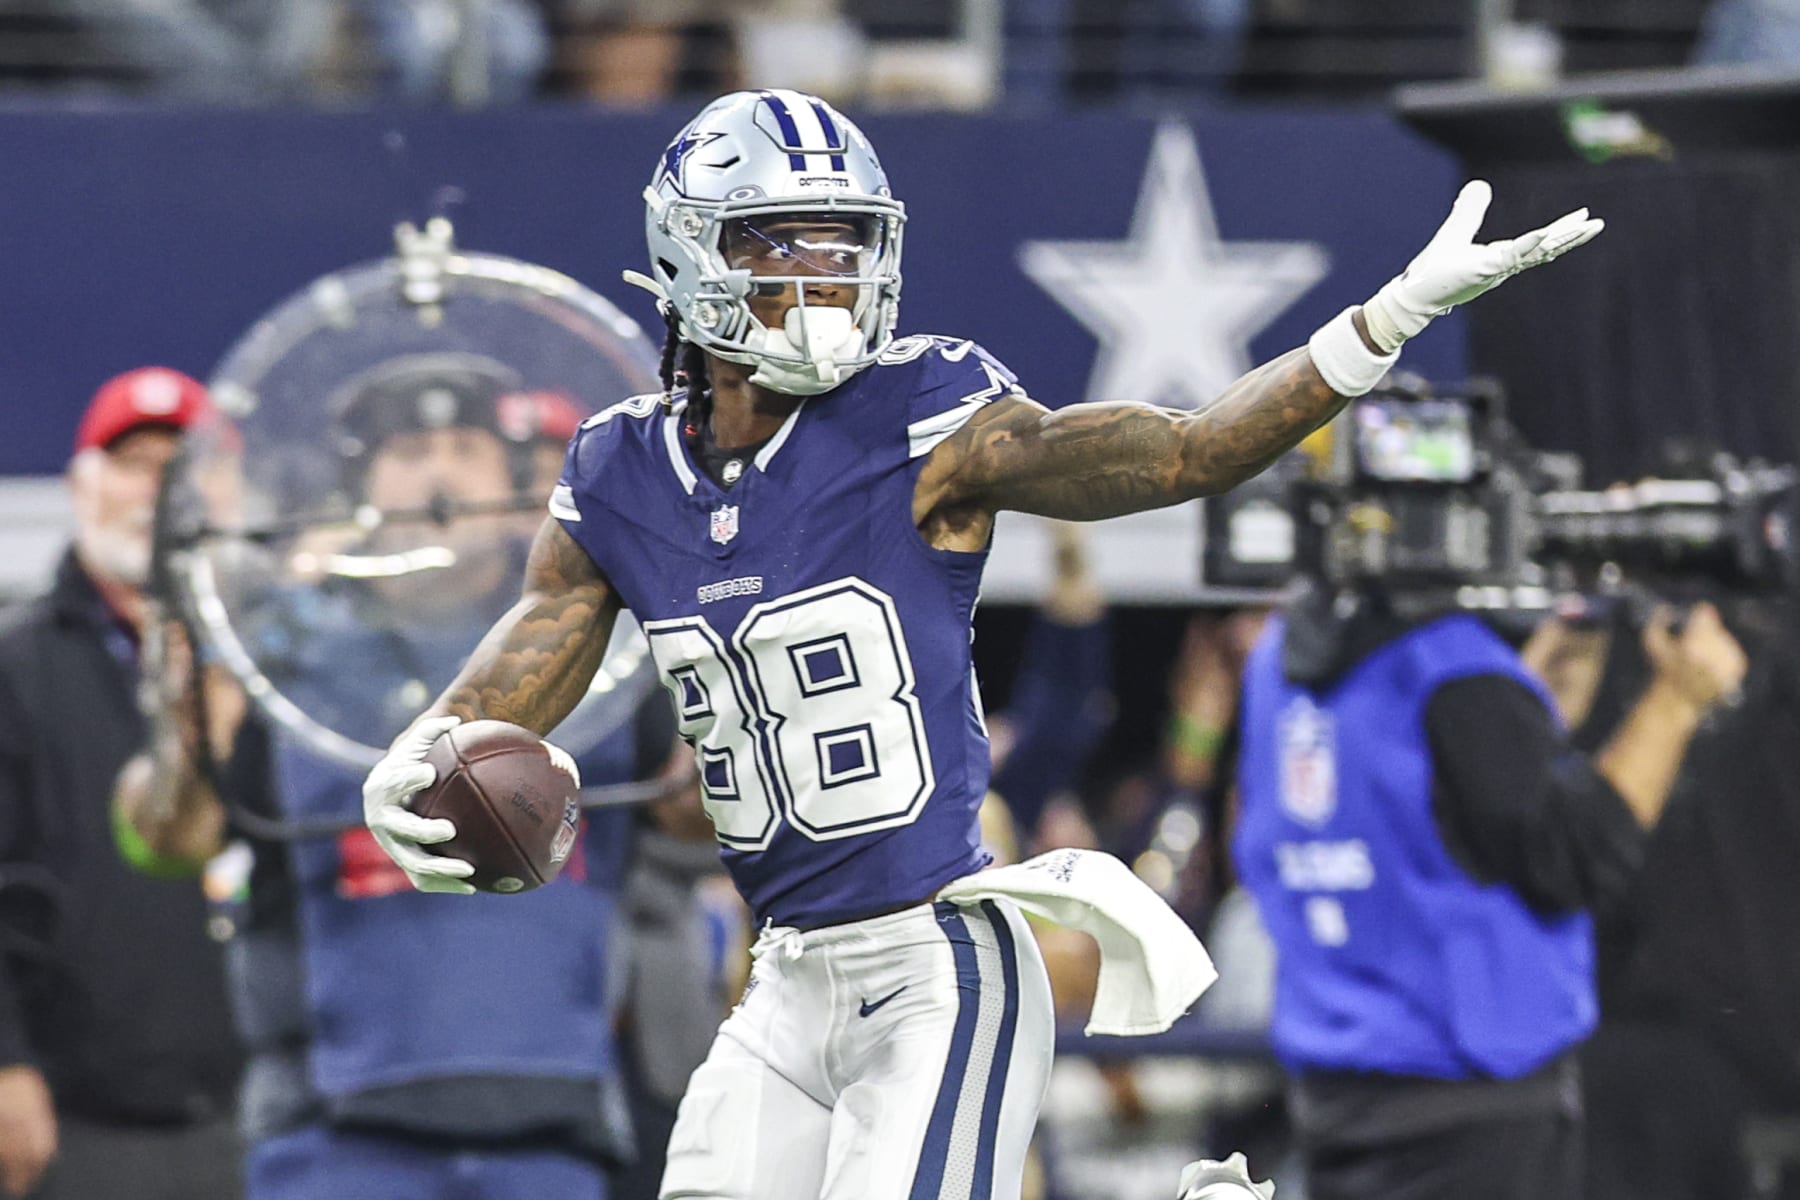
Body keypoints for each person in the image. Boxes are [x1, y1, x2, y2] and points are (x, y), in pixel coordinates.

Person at [358, 88, 1606, 1200]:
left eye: (847, 244)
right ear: (692, 255)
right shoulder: (622, 468)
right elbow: (533, 646)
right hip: (781, 977)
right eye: (784, 243)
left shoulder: (925, 412)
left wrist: (1376, 326)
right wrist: (425, 750)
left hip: (937, 957)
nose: (825, 276)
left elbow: (1184, 450)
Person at [115, 353, 645, 1200]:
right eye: (408, 451)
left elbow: (693, 823)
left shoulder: (605, 652)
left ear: (514, 486)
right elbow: (169, 842)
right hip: (332, 1138)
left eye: (464, 447)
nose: (438, 471)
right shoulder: (277, 657)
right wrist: (196, 702)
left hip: (553, 1128)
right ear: (363, 486)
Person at [1230, 577, 1747, 1200]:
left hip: (1337, 1099)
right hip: (1470, 1110)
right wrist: (1678, 700)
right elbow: (1577, 854)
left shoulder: (1278, 658)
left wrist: (1522, 711)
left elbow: (1412, 797)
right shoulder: (1453, 666)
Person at [0, 368, 244, 1200]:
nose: (157, 491)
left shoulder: (279, 667)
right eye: (134, 463)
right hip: (81, 1120)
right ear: (81, 487)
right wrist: (4, 1064)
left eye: (182, 467)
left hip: (265, 1113)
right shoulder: (15, 665)